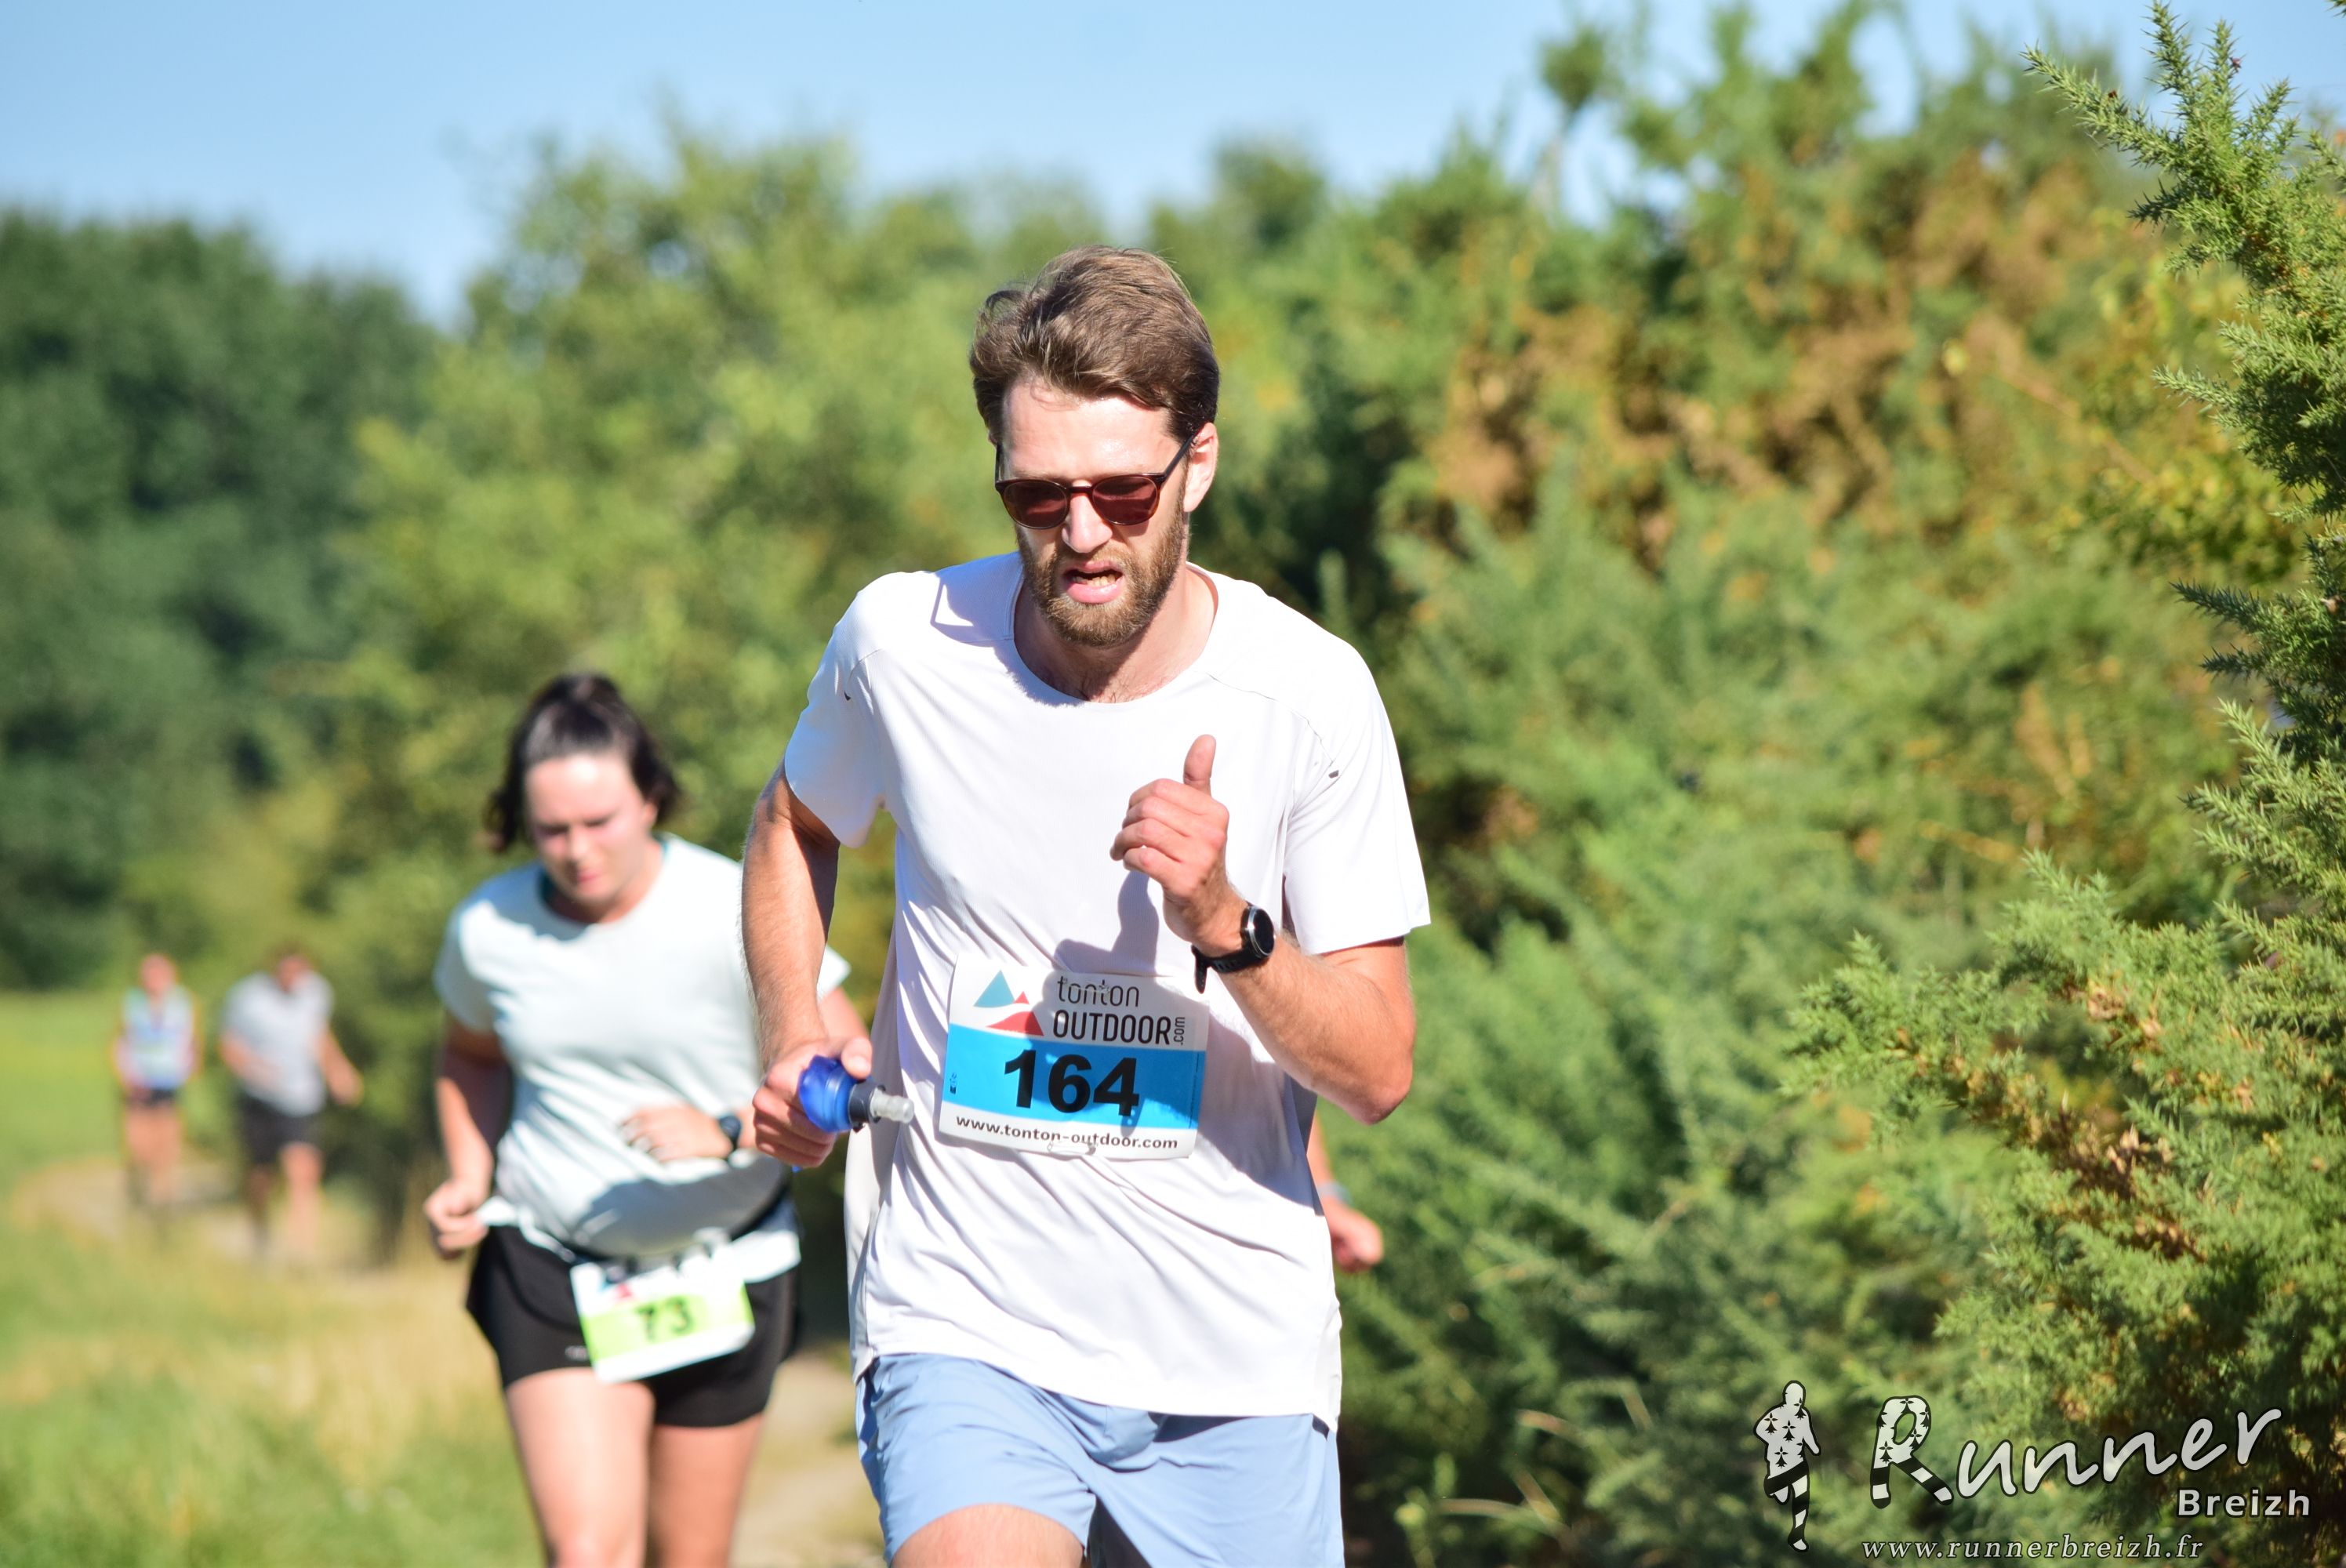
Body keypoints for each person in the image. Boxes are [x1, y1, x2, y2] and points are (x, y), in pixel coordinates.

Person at [746, 245, 1429, 1567]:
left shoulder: (1311, 697)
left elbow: (1378, 1069)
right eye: (1036, 493)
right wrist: (795, 1026)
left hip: (1232, 1356)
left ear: (1198, 466)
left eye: (1121, 492)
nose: (1079, 532)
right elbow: (793, 822)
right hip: (966, 1318)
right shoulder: (901, 645)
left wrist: (1228, 925)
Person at [423, 672, 862, 1568]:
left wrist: (729, 1129)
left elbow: (844, 1070)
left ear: (651, 798)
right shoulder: (488, 927)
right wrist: (468, 1170)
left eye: (600, 821)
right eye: (551, 828)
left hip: (725, 1263)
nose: (577, 850)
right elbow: (470, 1054)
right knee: (587, 1551)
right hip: (552, 1261)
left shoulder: (733, 901)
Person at [220, 942, 361, 1259]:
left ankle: (302, 1250)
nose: (294, 978)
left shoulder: (317, 993)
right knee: (261, 1177)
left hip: (301, 1098)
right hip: (260, 1098)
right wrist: (253, 1069)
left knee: (304, 1171)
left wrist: (338, 1070)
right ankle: (260, 1236)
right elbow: (229, 1046)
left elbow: (319, 1036)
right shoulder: (248, 997)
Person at [113, 951, 199, 1210]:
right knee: (137, 1144)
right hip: (138, 1081)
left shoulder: (182, 1003)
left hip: (169, 1080)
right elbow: (120, 1039)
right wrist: (125, 1073)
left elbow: (191, 1039)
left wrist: (189, 1067)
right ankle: (139, 1184)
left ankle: (163, 1195)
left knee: (168, 1141)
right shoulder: (132, 1003)